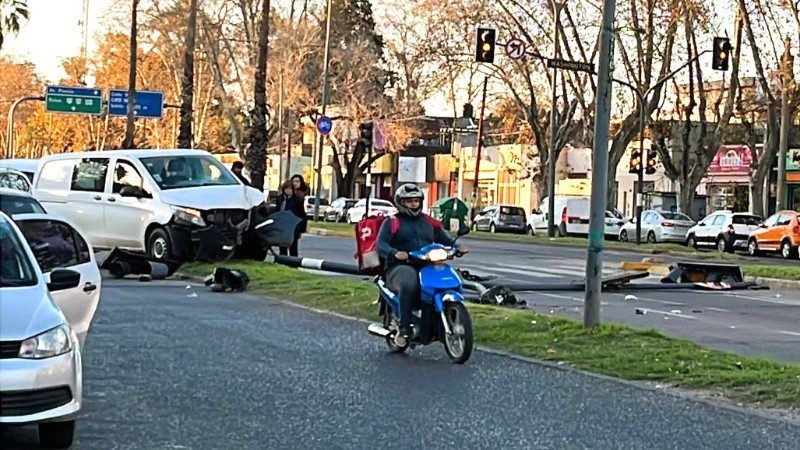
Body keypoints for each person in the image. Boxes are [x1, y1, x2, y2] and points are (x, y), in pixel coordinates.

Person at [376, 183, 469, 346]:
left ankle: (442, 318)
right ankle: (404, 328)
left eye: (416, 200)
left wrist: (457, 247)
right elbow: (381, 244)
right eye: (409, 201)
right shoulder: (392, 222)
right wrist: (395, 253)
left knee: (448, 277)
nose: (413, 204)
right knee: (410, 281)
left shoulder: (428, 222)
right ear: (400, 202)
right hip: (399, 266)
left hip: (426, 264)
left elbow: (444, 239)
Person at [275, 179, 305, 256]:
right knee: (282, 246)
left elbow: (302, 214)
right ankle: (283, 261)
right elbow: (277, 211)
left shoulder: (297, 200)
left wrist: (301, 230)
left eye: (289, 189)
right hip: (282, 226)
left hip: (293, 227)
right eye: (286, 189)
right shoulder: (280, 199)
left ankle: (293, 262)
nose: (288, 191)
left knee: (293, 247)